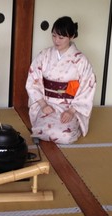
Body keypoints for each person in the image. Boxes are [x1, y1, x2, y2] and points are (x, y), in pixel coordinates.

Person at [26, 16, 96, 144]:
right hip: (47, 103)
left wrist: (71, 111)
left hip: (68, 106)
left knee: (65, 136)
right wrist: (43, 104)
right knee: (40, 130)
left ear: (72, 36)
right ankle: (42, 122)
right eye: (54, 36)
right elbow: (32, 80)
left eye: (61, 37)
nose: (56, 41)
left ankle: (74, 125)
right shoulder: (44, 55)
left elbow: (88, 87)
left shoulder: (81, 60)